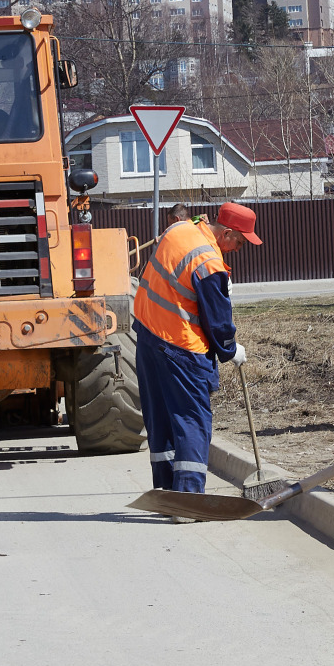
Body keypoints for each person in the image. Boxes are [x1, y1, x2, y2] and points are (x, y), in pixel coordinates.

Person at [133, 201, 262, 502]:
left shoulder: (178, 229)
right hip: (180, 346)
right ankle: (188, 500)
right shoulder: (209, 263)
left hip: (148, 337)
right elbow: (217, 322)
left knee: (161, 418)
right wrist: (231, 350)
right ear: (227, 232)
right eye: (240, 241)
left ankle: (167, 493)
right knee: (193, 420)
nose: (239, 249)